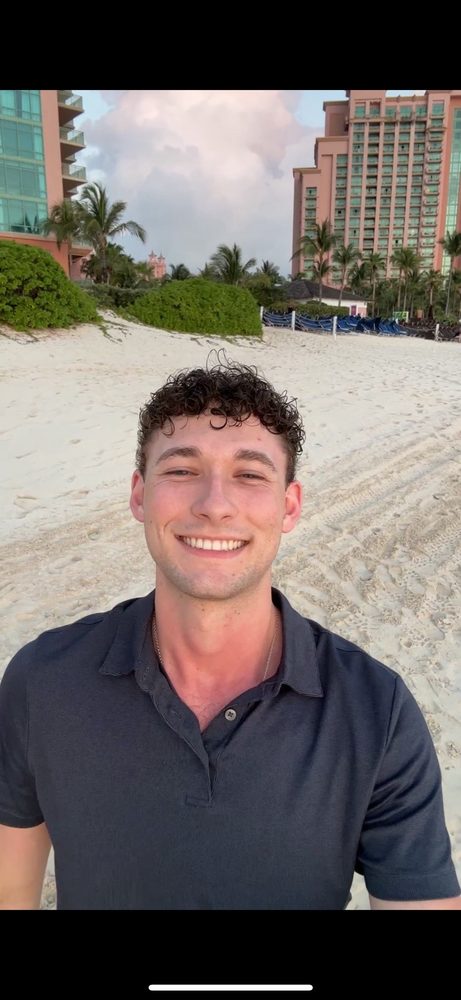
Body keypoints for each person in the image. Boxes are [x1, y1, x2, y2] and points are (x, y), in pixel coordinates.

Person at [0, 355, 460, 911]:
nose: (214, 505)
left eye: (249, 475)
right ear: (139, 494)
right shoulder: (42, 682)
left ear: (289, 506)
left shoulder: (374, 711)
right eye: (181, 470)